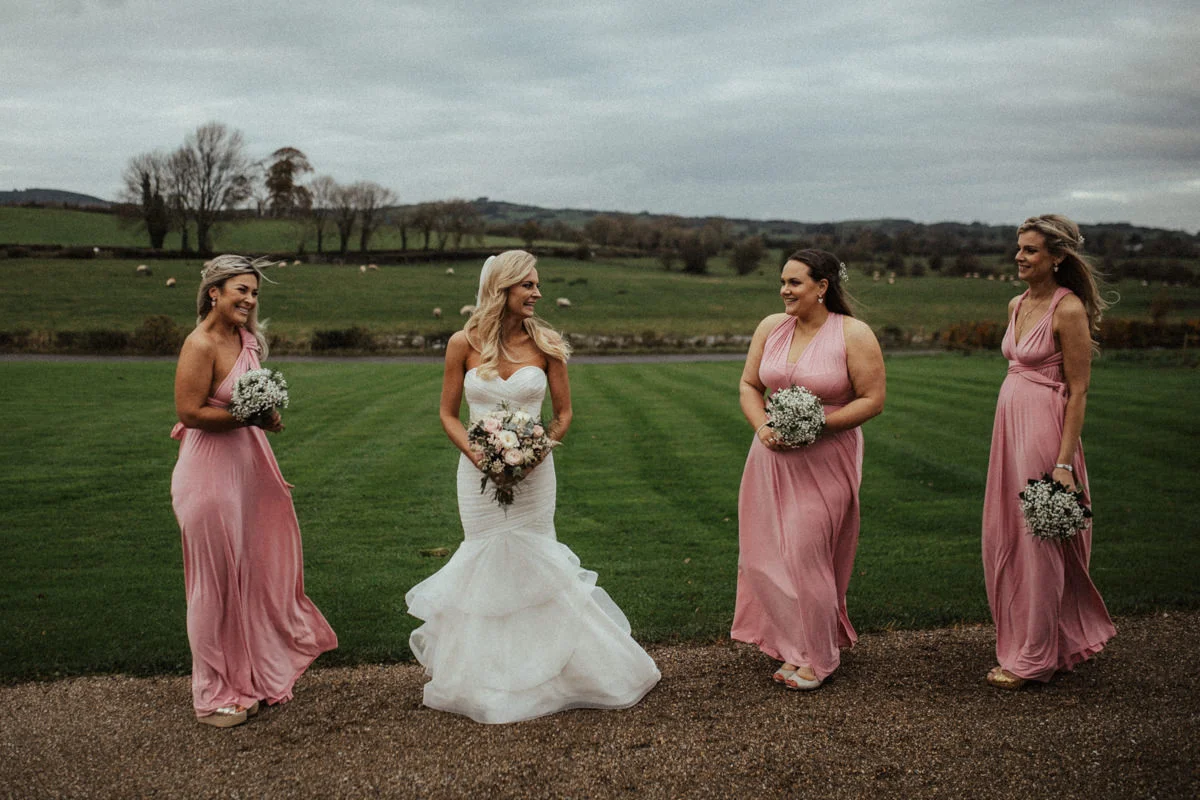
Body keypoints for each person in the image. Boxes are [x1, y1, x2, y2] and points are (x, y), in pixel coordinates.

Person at [405, 250, 660, 724]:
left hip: (535, 475)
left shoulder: (547, 344)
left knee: (538, 561)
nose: (538, 293)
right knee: (485, 560)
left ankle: (555, 675)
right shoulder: (462, 343)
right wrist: (480, 456)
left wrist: (532, 456)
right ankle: (489, 677)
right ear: (502, 288)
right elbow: (447, 414)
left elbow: (563, 415)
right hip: (476, 476)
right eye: (528, 285)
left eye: (537, 285)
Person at [171, 255, 337, 728]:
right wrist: (250, 416)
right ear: (214, 292)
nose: (249, 299)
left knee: (252, 576)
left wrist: (266, 419)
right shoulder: (200, 344)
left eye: (254, 292)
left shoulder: (247, 342)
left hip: (245, 473)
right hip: (207, 475)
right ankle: (212, 695)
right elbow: (189, 413)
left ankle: (246, 678)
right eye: (240, 290)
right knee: (213, 586)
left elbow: (245, 410)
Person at [732, 249, 886, 690]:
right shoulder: (771, 327)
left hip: (827, 457)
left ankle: (820, 658)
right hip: (770, 456)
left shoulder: (853, 334)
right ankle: (795, 647)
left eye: (794, 282)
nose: (784, 290)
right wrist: (763, 427)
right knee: (766, 557)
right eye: (782, 281)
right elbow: (749, 385)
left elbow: (873, 399)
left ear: (822, 287)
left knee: (806, 553)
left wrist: (817, 425)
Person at [982, 215, 1116, 689]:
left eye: (1030, 250)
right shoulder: (1016, 303)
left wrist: (1062, 463)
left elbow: (1078, 391)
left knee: (1039, 543)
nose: (1019, 256)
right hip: (1009, 430)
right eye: (1019, 247)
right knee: (1008, 538)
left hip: (1044, 431)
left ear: (1057, 257)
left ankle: (1034, 659)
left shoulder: (1068, 309)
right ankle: (1034, 641)